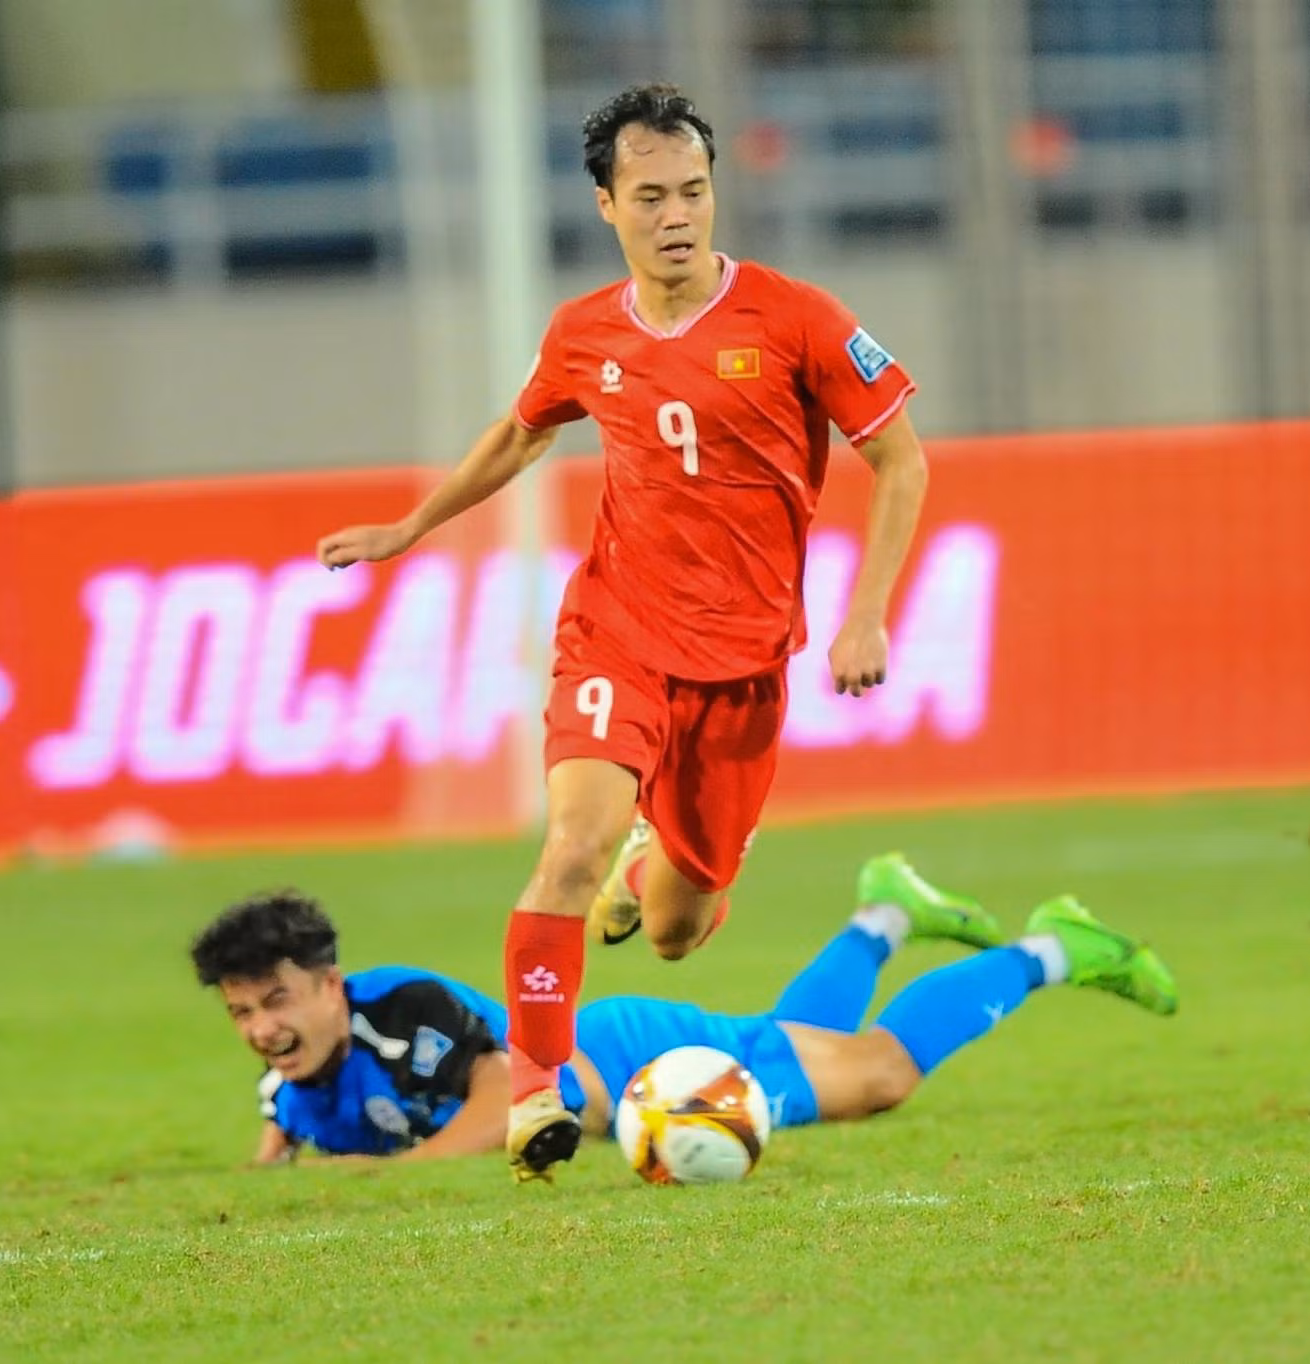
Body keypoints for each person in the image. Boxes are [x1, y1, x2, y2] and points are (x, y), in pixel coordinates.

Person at [314, 83, 934, 1181]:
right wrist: (411, 528)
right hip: (619, 632)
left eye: (693, 191)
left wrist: (868, 612)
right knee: (568, 848)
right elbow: (519, 433)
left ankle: (651, 865)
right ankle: (537, 1089)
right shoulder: (584, 331)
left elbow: (900, 458)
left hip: (742, 666)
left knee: (677, 930)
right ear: (606, 205)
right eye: (650, 197)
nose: (676, 215)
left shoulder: (797, 318)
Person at [189, 855, 1178, 1169]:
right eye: (242, 1012)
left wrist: (398, 1174)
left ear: (330, 984)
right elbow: (284, 1123)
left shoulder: (406, 1007)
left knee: (877, 1075)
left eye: (277, 999)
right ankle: (883, 913)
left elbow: (515, 1097)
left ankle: (1054, 946)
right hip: (622, 1085)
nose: (263, 1028)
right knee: (811, 1050)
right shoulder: (291, 1078)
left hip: (633, 1062)